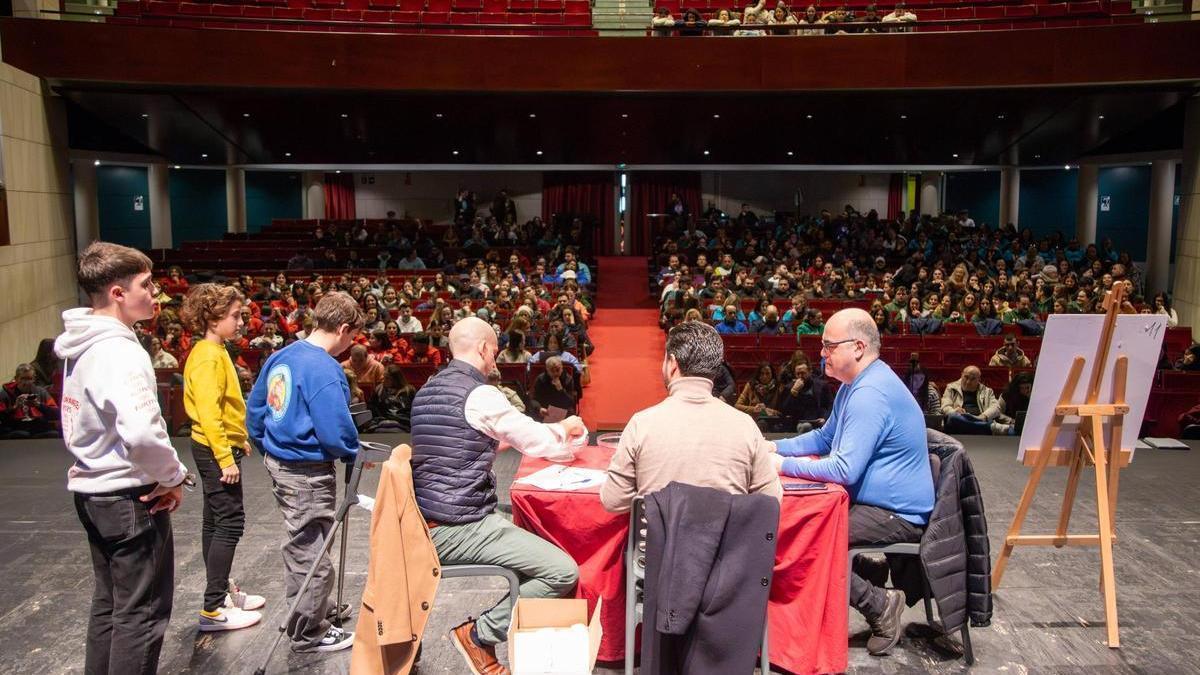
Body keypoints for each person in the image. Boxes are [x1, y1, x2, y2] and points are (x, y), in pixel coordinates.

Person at [409, 317, 586, 675]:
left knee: (535, 539)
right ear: (483, 349)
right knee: (561, 571)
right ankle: (479, 635)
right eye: (494, 351)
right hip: (459, 526)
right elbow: (537, 441)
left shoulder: (428, 389)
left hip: (426, 520)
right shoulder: (479, 393)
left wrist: (495, 442)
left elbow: (457, 443)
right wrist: (565, 427)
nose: (496, 359)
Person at [54, 241, 191, 675]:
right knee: (141, 616)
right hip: (129, 497)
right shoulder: (121, 351)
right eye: (146, 285)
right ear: (117, 292)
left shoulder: (81, 343)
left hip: (93, 492)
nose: (156, 293)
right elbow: (143, 434)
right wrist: (172, 476)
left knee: (110, 606)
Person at [769, 308, 934, 656]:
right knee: (807, 532)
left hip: (896, 514)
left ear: (858, 347)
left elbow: (844, 469)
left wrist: (781, 464)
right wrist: (771, 446)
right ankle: (861, 567)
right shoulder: (853, 386)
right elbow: (823, 439)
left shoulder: (870, 392)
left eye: (829, 346)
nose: (822, 354)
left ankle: (879, 603)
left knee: (809, 542)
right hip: (876, 505)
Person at [247, 292, 366, 654]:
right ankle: (308, 629)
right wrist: (353, 450)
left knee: (307, 539)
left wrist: (270, 448)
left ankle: (316, 605)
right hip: (306, 470)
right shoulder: (325, 368)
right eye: (352, 337)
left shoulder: (281, 355)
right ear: (344, 329)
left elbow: (255, 412)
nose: (351, 345)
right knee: (310, 550)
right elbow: (335, 429)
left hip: (281, 463)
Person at [601, 320, 781, 512]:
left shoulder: (641, 424)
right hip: (726, 542)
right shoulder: (746, 426)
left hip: (658, 542)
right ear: (716, 369)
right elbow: (771, 501)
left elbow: (613, 500)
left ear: (671, 364)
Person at [179, 283, 266, 632]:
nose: (241, 321)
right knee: (229, 522)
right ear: (213, 319)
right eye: (235, 316)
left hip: (219, 446)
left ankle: (220, 591)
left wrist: (238, 439)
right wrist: (225, 457)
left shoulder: (215, 352)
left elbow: (224, 408)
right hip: (214, 450)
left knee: (214, 522)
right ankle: (213, 607)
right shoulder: (206, 356)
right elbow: (209, 413)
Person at [940, 366, 1011, 435]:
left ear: (979, 379)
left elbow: (996, 407)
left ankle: (978, 425)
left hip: (978, 418)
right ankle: (989, 427)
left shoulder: (987, 391)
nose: (968, 382)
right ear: (961, 375)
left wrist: (983, 417)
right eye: (966, 377)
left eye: (973, 379)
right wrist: (954, 411)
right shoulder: (951, 388)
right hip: (959, 420)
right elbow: (945, 407)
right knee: (953, 417)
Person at [0, 363, 61, 438]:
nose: (26, 382)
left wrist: (38, 405)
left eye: (29, 379)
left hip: (38, 428)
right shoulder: (5, 394)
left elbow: (57, 414)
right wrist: (15, 408)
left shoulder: (41, 392)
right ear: (16, 379)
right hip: (15, 428)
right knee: (21, 435)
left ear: (34, 379)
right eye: (23, 379)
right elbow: (1, 418)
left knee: (54, 434)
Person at [776, 360, 832, 434]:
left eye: (803, 373)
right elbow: (784, 411)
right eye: (797, 374)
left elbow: (831, 405)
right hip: (796, 422)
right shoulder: (789, 388)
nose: (800, 376)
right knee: (805, 427)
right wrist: (793, 392)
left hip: (817, 421)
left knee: (806, 427)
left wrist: (825, 418)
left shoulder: (822, 386)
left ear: (810, 372)